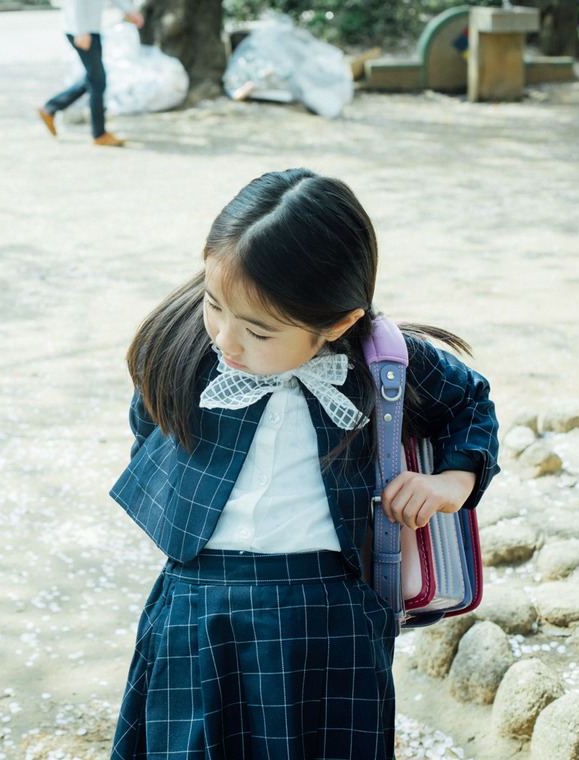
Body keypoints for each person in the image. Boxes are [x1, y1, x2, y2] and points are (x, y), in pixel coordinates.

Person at [107, 168, 500, 758]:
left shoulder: (382, 362)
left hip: (330, 611)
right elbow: (149, 421)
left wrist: (452, 480)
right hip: (198, 603)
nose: (226, 339)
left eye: (259, 332)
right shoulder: (185, 345)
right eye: (215, 305)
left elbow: (469, 402)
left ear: (337, 323)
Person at [37, 0, 143, 147]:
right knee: (98, 81)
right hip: (82, 31)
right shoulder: (81, 30)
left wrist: (129, 10)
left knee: (94, 78)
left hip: (91, 29)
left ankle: (50, 108)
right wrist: (80, 31)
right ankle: (99, 134)